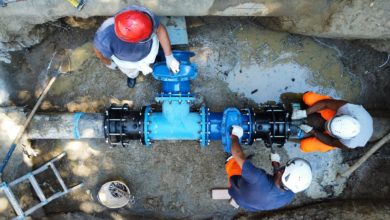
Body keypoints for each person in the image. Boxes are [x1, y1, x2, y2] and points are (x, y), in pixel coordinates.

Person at [225, 125, 312, 211]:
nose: (283, 167)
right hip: (250, 205)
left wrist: (235, 135)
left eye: (285, 167)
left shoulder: (258, 178)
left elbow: (238, 154)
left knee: (236, 162)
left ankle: (229, 159)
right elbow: (280, 178)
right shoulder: (290, 194)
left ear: (281, 172)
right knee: (248, 172)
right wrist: (275, 163)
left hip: (236, 192)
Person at [93, 5, 180, 88]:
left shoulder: (143, 15)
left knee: (150, 61)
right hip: (127, 62)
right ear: (131, 41)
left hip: (149, 51)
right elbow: (98, 50)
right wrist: (107, 63)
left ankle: (150, 63)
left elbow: (159, 29)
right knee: (131, 71)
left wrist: (169, 56)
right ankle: (132, 76)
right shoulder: (105, 36)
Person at [292, 92, 373, 153]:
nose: (326, 126)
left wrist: (313, 132)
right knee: (308, 97)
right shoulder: (348, 109)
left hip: (335, 139)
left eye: (329, 129)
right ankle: (319, 106)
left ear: (340, 137)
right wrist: (305, 112)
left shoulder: (348, 144)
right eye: (329, 124)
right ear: (340, 115)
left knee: (304, 147)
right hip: (337, 111)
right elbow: (326, 103)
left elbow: (331, 142)